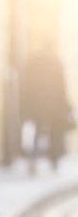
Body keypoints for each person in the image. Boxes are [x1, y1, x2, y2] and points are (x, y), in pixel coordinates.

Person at [20, 41, 75, 173]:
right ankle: (54, 160)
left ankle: (33, 158)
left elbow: (25, 83)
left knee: (37, 130)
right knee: (55, 131)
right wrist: (66, 105)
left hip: (35, 101)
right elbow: (62, 85)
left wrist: (24, 102)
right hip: (53, 102)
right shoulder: (56, 62)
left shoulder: (32, 61)